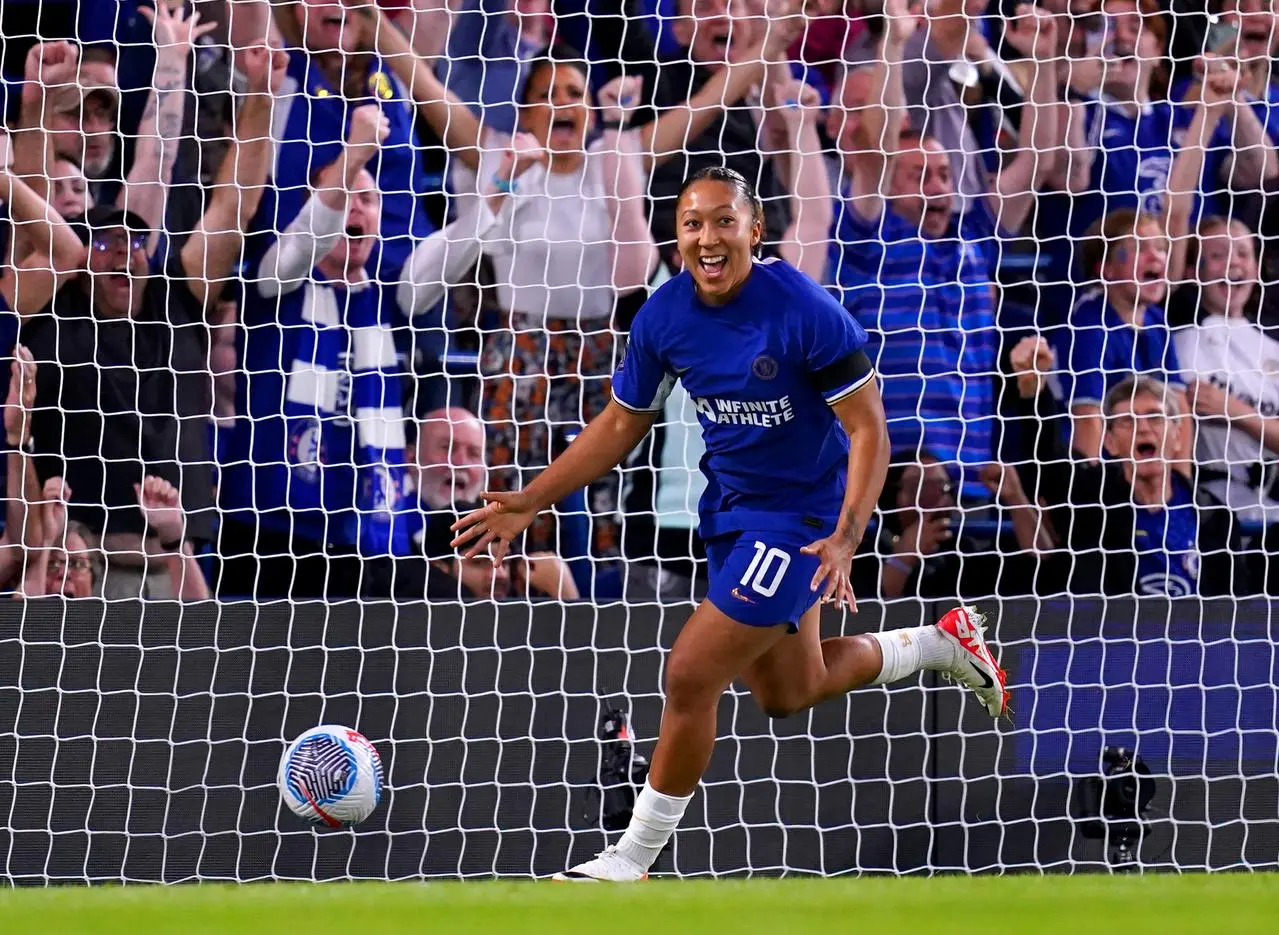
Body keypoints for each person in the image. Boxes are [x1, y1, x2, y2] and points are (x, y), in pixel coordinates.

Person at [452, 166, 1008, 883]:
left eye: (722, 222)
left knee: (689, 672)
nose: (707, 239)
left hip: (800, 517)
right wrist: (531, 498)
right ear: (675, 236)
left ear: (755, 230)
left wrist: (844, 535)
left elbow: (870, 427)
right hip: (731, 513)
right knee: (788, 690)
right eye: (691, 224)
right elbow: (623, 420)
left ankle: (630, 857)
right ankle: (936, 642)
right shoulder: (662, 317)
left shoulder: (803, 311)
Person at [829, 1, 1060, 492]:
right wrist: (893, 43)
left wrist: (1042, 62)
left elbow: (1037, 162)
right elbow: (874, 148)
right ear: (891, 185)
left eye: (943, 175)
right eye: (918, 176)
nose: (936, 186)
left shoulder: (973, 237)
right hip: (886, 482)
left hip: (973, 478)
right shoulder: (870, 236)